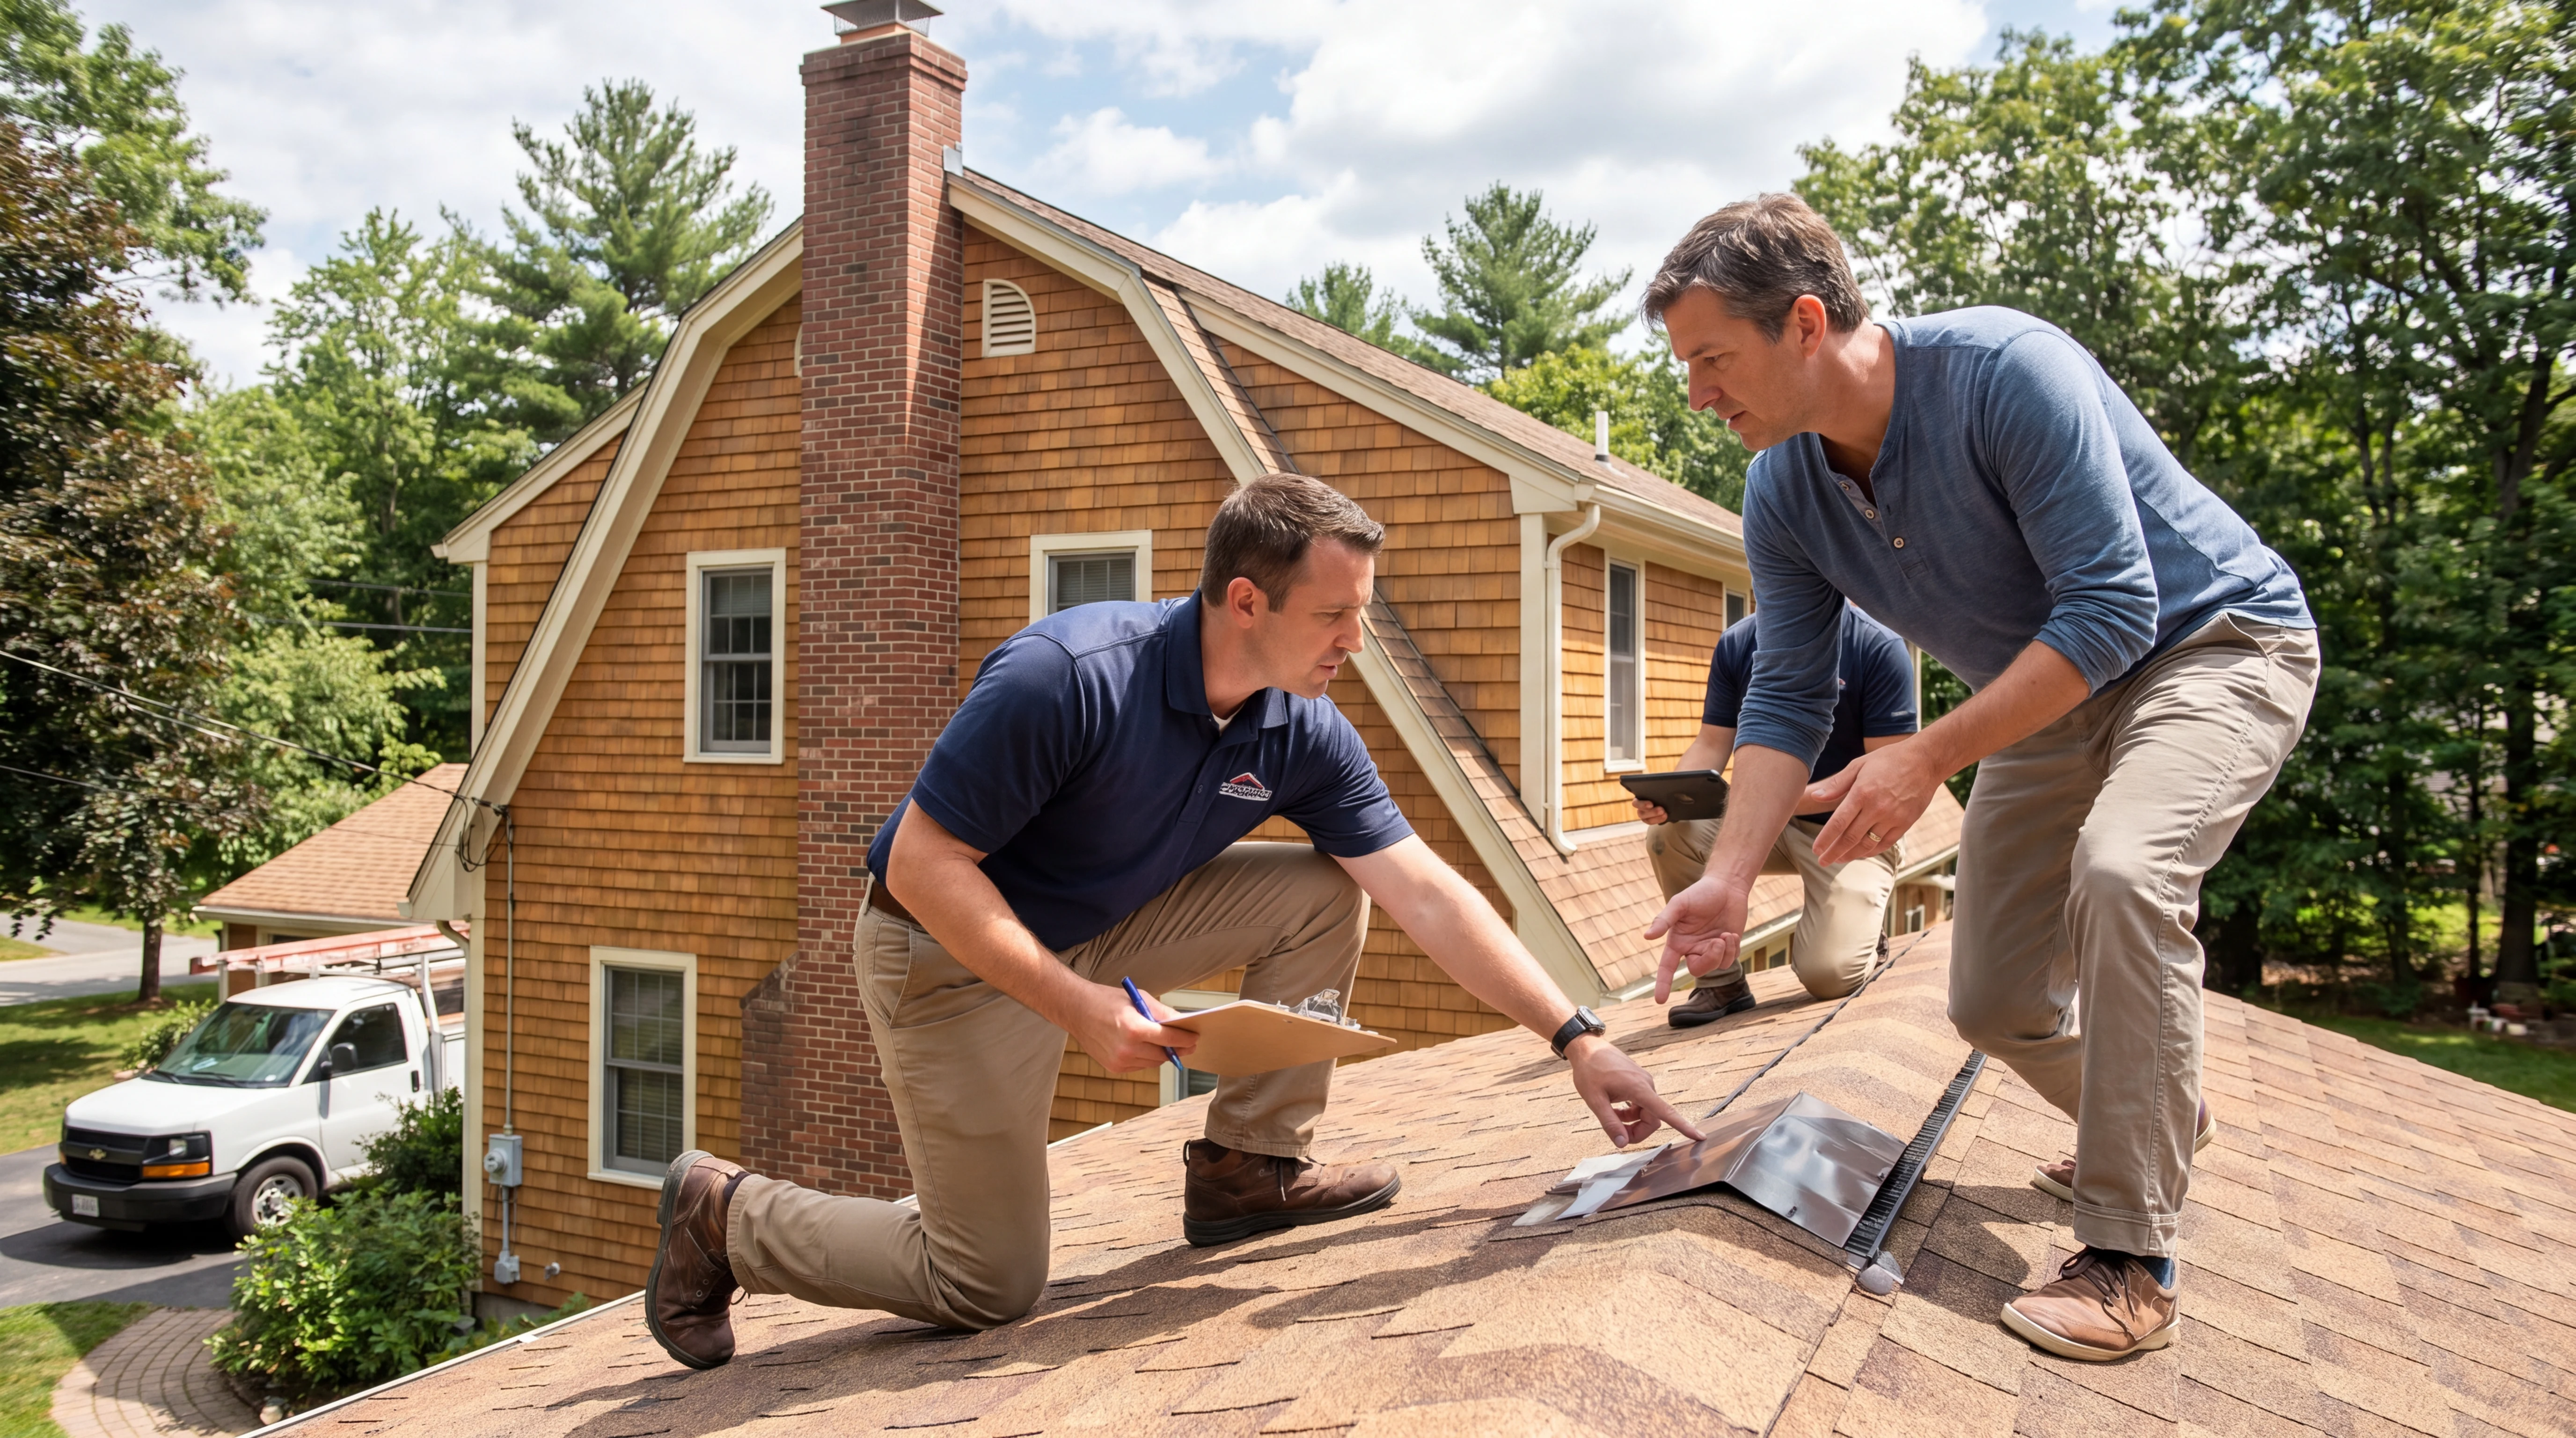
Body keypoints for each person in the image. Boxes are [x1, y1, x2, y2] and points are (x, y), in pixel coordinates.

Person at [644, 473, 1700, 1368]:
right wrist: (1073, 1004)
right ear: (1246, 600)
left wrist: (1578, 1039)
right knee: (986, 1282)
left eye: (1362, 612)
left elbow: (1422, 888)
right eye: (1335, 615)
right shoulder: (1067, 679)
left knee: (1330, 883)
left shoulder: (1303, 730)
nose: (1357, 641)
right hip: (950, 953)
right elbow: (922, 868)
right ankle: (727, 1215)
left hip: (1104, 920)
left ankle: (1249, 1168)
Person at [1639, 195, 2316, 1363]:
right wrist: (1732, 876)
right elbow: (1788, 695)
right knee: (1990, 1001)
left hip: (2212, 645)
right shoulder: (1781, 492)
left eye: (1711, 357)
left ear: (1805, 322)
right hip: (2047, 691)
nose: (1696, 393)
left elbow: (2114, 607)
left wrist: (1925, 754)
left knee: (2123, 869)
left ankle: (2128, 1258)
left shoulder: (2007, 372)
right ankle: (2164, 1109)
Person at [1637, 602, 1917, 1021]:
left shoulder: (1877, 647)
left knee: (1830, 976)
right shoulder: (1738, 642)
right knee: (1670, 834)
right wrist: (1677, 797)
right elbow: (1713, 742)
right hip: (1765, 822)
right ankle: (1721, 983)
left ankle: (1862, 927)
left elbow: (1885, 776)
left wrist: (1764, 800)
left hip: (1851, 832)